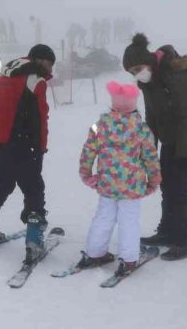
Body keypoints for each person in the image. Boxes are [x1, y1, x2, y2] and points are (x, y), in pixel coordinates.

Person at [122, 33, 187, 260]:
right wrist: (149, 151)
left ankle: (182, 241)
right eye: (133, 72)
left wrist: (183, 152)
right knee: (168, 186)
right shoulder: (149, 84)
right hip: (172, 141)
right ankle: (166, 232)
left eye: (139, 67)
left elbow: (186, 116)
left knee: (183, 189)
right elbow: (152, 118)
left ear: (149, 61)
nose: (137, 73)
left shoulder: (175, 74)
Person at [0, 44, 55, 262]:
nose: (50, 69)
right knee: (34, 187)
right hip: (21, 142)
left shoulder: (4, 73)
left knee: (3, 182)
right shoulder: (35, 79)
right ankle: (34, 241)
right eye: (50, 63)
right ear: (40, 60)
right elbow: (41, 117)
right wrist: (40, 147)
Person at [75, 81, 161, 276]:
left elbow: (89, 150)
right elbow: (150, 156)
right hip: (132, 186)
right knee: (129, 220)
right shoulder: (141, 128)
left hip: (107, 184)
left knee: (104, 217)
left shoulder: (100, 126)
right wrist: (154, 180)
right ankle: (129, 259)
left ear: (112, 104)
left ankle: (94, 253)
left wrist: (86, 173)